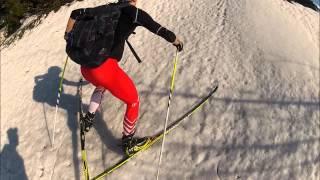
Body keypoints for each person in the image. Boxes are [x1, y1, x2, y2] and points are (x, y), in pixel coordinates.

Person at [68, 0, 183, 156]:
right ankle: (128, 142)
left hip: (86, 67)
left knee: (101, 86)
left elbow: (76, 14)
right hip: (105, 68)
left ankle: (88, 119)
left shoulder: (109, 8)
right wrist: (175, 40)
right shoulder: (134, 13)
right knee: (133, 101)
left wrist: (68, 37)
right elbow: (157, 28)